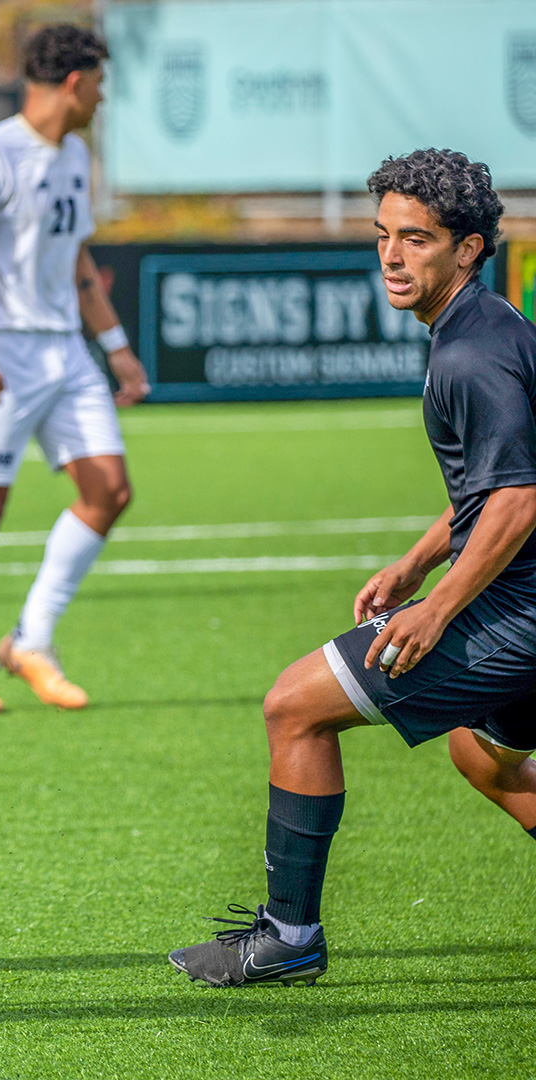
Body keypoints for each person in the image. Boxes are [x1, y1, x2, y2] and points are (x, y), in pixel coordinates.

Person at [170, 150, 536, 988]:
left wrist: (436, 608)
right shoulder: (489, 328)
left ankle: (289, 936)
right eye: (383, 237)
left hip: (520, 609)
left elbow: (516, 502)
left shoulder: (470, 355)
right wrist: (414, 562)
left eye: (417, 239)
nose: (393, 258)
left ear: (469, 248)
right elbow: (495, 487)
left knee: (293, 707)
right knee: (484, 758)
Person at [0, 24, 149, 717]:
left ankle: (31, 639)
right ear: (74, 83)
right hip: (2, 349)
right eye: (100, 84)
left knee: (109, 490)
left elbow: (79, 261)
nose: (102, 97)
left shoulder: (74, 154)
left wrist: (114, 346)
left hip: (66, 350)